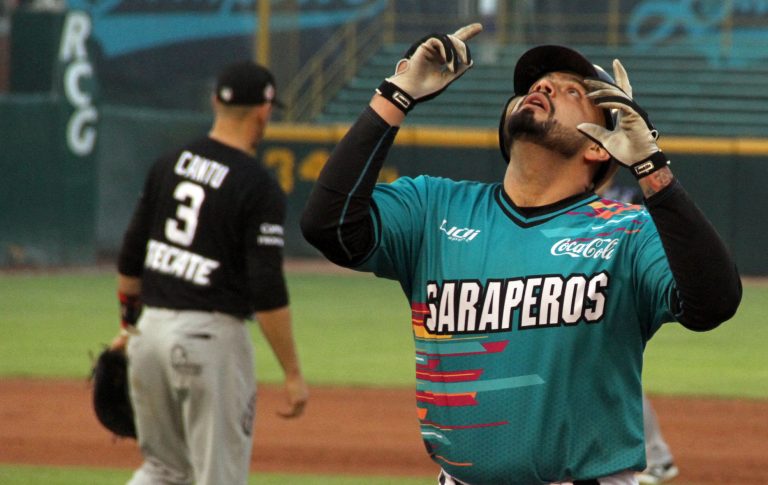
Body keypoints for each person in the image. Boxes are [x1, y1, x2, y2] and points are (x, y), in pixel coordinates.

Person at [300, 23, 741, 485]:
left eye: (573, 91)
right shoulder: (434, 209)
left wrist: (651, 167)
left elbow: (714, 303)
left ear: (599, 145)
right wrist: (397, 92)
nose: (545, 88)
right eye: (536, 86)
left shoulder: (627, 233)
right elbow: (328, 226)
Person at [111, 60, 309, 485]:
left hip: (150, 334)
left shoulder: (169, 163)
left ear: (216, 103)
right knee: (217, 476)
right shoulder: (257, 184)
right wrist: (291, 371)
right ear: (264, 111)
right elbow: (266, 286)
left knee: (161, 470)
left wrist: (130, 326)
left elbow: (130, 257)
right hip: (208, 341)